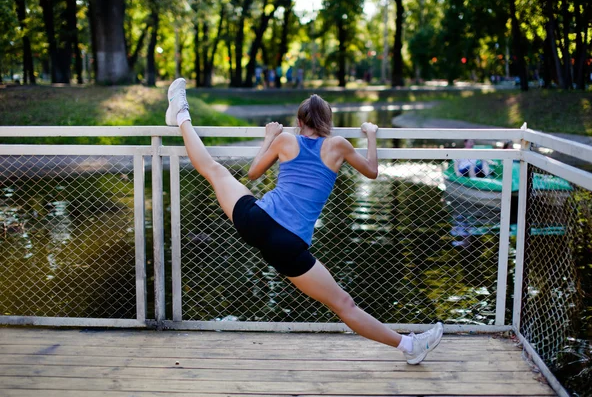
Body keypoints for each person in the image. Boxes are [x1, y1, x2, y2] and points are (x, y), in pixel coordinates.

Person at [165, 78, 443, 365]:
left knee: (215, 170)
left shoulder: (285, 140)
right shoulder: (338, 145)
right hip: (288, 244)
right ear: (328, 121)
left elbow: (252, 173)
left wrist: (269, 138)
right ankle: (409, 346)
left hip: (257, 220)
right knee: (344, 305)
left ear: (300, 120)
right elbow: (371, 171)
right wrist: (371, 134)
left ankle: (181, 112)